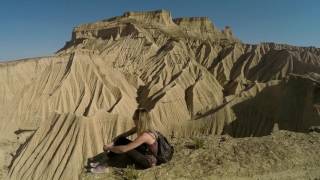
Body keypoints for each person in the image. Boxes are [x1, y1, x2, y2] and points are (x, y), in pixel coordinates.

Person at [88, 108, 158, 173]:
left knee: (126, 149)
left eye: (134, 118)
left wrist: (109, 148)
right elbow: (122, 136)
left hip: (149, 161)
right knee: (121, 140)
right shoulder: (140, 128)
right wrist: (111, 143)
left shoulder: (145, 135)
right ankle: (106, 160)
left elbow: (124, 149)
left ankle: (105, 166)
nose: (133, 119)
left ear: (140, 120)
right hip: (144, 152)